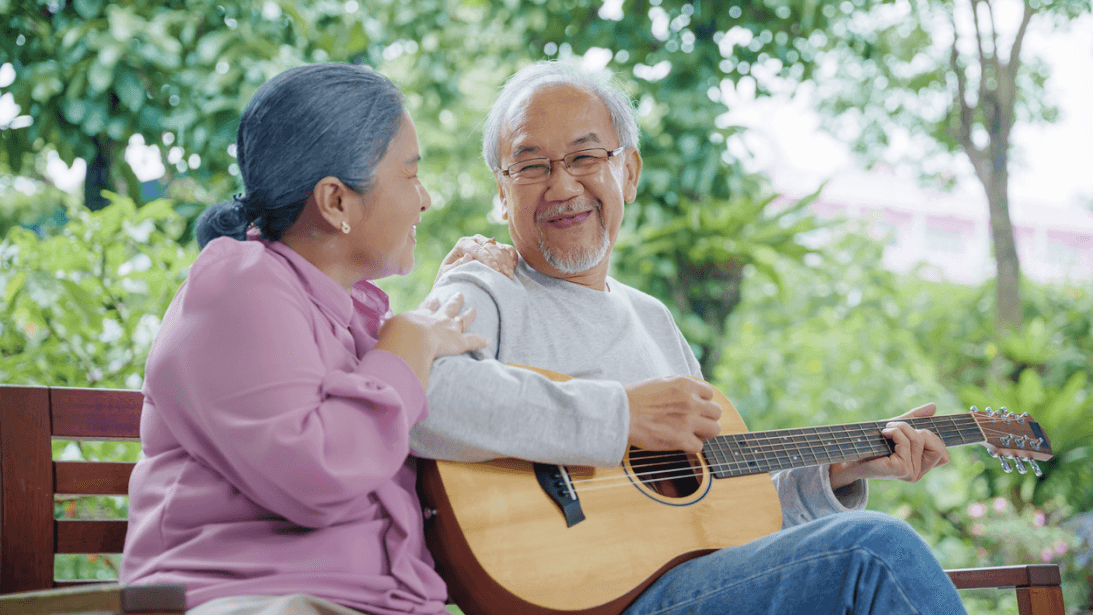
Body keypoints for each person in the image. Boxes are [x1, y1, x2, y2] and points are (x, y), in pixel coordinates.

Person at [410, 61, 967, 614]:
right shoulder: (485, 284)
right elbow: (419, 399)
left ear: (628, 172)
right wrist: (623, 414)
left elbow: (715, 514)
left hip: (680, 592)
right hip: (578, 597)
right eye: (530, 166)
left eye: (584, 157)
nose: (561, 184)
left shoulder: (652, 319)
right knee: (877, 552)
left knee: (870, 549)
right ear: (503, 193)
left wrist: (839, 471)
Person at [119, 62, 516, 615]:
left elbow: (374, 396)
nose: (425, 199)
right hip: (247, 598)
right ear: (336, 202)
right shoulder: (237, 286)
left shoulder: (341, 309)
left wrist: (432, 317)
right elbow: (318, 472)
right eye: (409, 175)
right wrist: (407, 341)